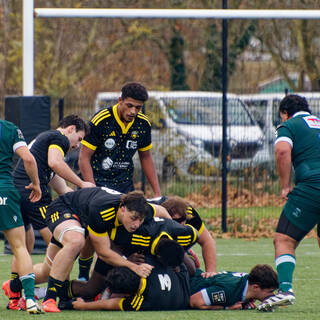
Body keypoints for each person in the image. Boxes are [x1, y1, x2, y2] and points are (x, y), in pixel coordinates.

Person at [2, 115, 95, 309]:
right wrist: (82, 183)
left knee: (23, 249)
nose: (78, 146)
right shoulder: (59, 138)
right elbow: (55, 163)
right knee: (67, 243)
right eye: (79, 139)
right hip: (33, 195)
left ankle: (14, 293)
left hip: (18, 191)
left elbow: (59, 184)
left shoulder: (45, 139)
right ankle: (60, 295)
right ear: (70, 129)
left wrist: (78, 196)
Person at [39, 188, 157, 313]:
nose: (137, 224)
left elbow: (163, 211)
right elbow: (103, 253)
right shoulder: (103, 211)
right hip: (65, 208)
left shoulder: (144, 210)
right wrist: (133, 266)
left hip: (83, 218)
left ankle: (19, 284)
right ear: (122, 209)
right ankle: (49, 299)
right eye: (133, 218)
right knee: (76, 241)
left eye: (141, 220)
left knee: (46, 271)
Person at [257, 94, 320, 311]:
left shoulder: (289, 125)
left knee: (284, 239)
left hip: (312, 187)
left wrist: (285, 186)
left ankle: (284, 290)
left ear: (285, 113)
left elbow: (282, 150)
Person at [65, 217, 198, 302]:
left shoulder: (182, 233)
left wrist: (181, 253)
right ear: (158, 257)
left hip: (149, 251)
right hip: (117, 252)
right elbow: (106, 239)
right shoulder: (139, 234)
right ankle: (57, 290)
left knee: (190, 268)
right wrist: (125, 260)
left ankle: (105, 294)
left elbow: (195, 234)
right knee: (90, 290)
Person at [79, 82, 160, 196]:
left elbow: (146, 157)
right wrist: (92, 191)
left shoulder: (143, 124)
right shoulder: (101, 120)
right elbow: (84, 157)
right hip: (97, 184)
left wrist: (157, 193)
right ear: (120, 100)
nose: (133, 111)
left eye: (138, 107)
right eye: (129, 105)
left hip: (124, 186)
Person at [0, 119, 43, 314]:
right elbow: (28, 159)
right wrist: (36, 184)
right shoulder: (9, 129)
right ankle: (30, 300)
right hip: (5, 192)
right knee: (20, 247)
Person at [72, 241, 191, 311]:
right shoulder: (149, 264)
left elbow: (109, 304)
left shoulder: (141, 302)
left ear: (127, 295)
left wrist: (83, 306)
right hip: (186, 281)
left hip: (184, 294)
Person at [149, 195, 217, 276]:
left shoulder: (189, 213)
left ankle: (186, 251)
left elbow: (207, 241)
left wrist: (210, 271)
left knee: (190, 269)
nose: (180, 225)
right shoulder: (148, 218)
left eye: (182, 220)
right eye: (175, 221)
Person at [189, 264, 278, 310]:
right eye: (270, 292)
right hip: (184, 284)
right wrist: (226, 308)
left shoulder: (247, 280)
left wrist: (246, 301)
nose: (272, 295)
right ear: (255, 287)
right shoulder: (229, 290)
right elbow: (194, 301)